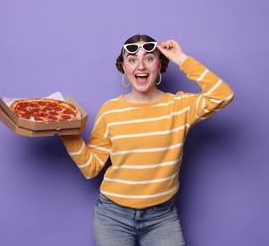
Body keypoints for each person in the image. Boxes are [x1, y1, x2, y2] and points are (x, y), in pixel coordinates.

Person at [60, 34, 234, 245]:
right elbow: (91, 168)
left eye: (149, 58)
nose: (140, 66)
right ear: (124, 67)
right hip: (112, 218)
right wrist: (67, 132)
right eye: (132, 60)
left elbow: (222, 95)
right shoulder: (110, 111)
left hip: (162, 218)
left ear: (159, 65)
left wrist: (181, 58)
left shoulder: (179, 106)